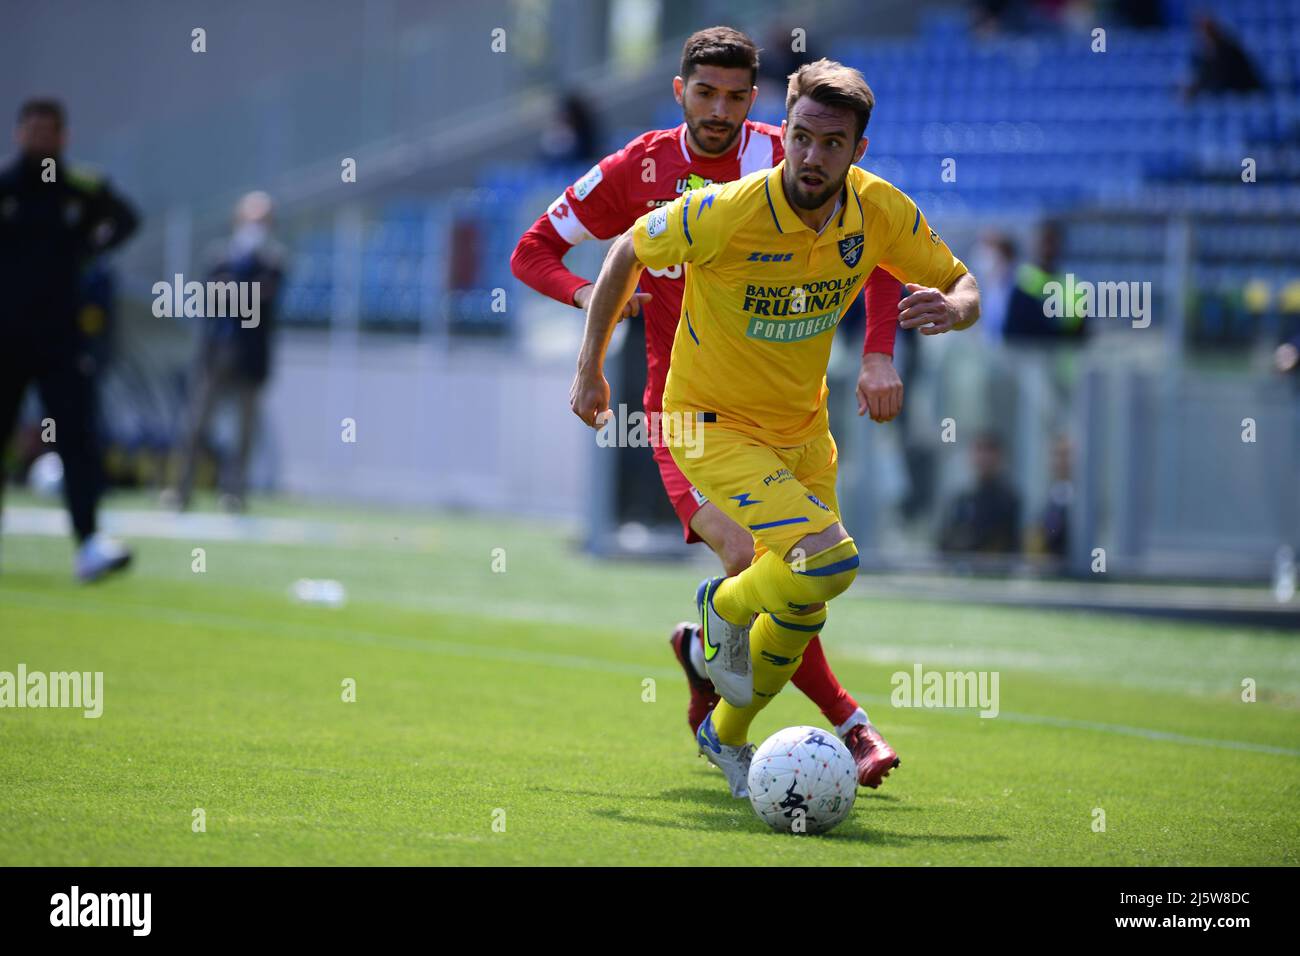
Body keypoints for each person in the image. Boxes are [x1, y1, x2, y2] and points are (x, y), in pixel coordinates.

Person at [569, 58, 980, 797]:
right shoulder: (727, 209)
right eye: (801, 137)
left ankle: (722, 734)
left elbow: (959, 279)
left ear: (857, 150)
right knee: (832, 560)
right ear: (784, 133)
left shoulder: (877, 210)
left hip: (803, 429)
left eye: (832, 144)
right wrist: (589, 369)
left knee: (800, 605)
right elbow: (627, 247)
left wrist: (955, 309)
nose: (812, 157)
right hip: (706, 422)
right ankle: (720, 609)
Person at [514, 27, 905, 788]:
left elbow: (883, 246)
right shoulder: (640, 167)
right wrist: (594, 305)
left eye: (735, 95)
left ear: (755, 99)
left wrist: (880, 349)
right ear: (678, 92)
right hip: (685, 410)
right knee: (757, 557)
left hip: (786, 414)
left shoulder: (792, 160)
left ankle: (714, 673)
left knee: (796, 565)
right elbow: (532, 250)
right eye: (705, 93)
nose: (720, 109)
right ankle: (846, 724)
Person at [0, 98, 139, 581]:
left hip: (60, 336)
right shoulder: (5, 186)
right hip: (6, 335)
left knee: (76, 438)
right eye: (32, 130)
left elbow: (126, 219)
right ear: (20, 134)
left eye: (49, 131)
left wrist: (86, 245)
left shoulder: (80, 188)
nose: (40, 139)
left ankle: (88, 544)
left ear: (63, 137)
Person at [163, 191, 286, 513]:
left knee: (244, 431)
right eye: (252, 218)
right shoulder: (219, 255)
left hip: (251, 357)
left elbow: (262, 297)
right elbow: (217, 296)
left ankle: (234, 493)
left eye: (263, 220)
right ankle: (180, 489)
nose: (257, 225)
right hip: (216, 353)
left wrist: (239, 284)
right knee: (195, 425)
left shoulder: (273, 261)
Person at [937, 431, 1021, 556]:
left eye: (989, 450)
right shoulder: (962, 499)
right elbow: (944, 541)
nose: (984, 457)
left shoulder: (1008, 500)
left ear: (999, 456)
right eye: (979, 449)